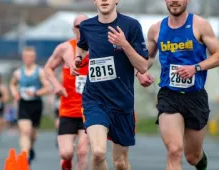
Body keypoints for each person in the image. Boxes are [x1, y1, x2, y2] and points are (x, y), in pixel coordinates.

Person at [136, 0, 219, 170]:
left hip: (195, 96)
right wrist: (140, 72)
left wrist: (196, 68)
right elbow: (148, 58)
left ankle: (200, 159)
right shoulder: (156, 29)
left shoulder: (200, 25)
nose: (174, 1)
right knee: (174, 150)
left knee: (191, 157)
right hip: (169, 95)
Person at [71, 1, 148, 169]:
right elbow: (81, 46)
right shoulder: (86, 26)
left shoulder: (131, 26)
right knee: (98, 152)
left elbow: (142, 66)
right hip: (95, 100)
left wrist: (124, 44)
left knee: (120, 163)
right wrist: (78, 59)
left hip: (122, 101)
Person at [44, 14, 89, 170]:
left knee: (83, 152)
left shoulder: (98, 48)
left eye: (85, 25)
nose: (82, 29)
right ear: (73, 29)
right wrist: (56, 85)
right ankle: (66, 162)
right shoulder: (65, 48)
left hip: (89, 110)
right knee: (66, 153)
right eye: (78, 26)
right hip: (68, 110)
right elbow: (48, 68)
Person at [10, 47, 50, 164]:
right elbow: (12, 84)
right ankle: (25, 156)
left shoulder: (40, 72)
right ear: (23, 57)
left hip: (36, 104)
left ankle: (30, 148)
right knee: (25, 131)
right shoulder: (18, 73)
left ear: (34, 57)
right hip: (23, 104)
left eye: (31, 56)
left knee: (32, 135)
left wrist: (36, 93)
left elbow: (48, 88)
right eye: (26, 56)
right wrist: (15, 93)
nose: (28, 59)